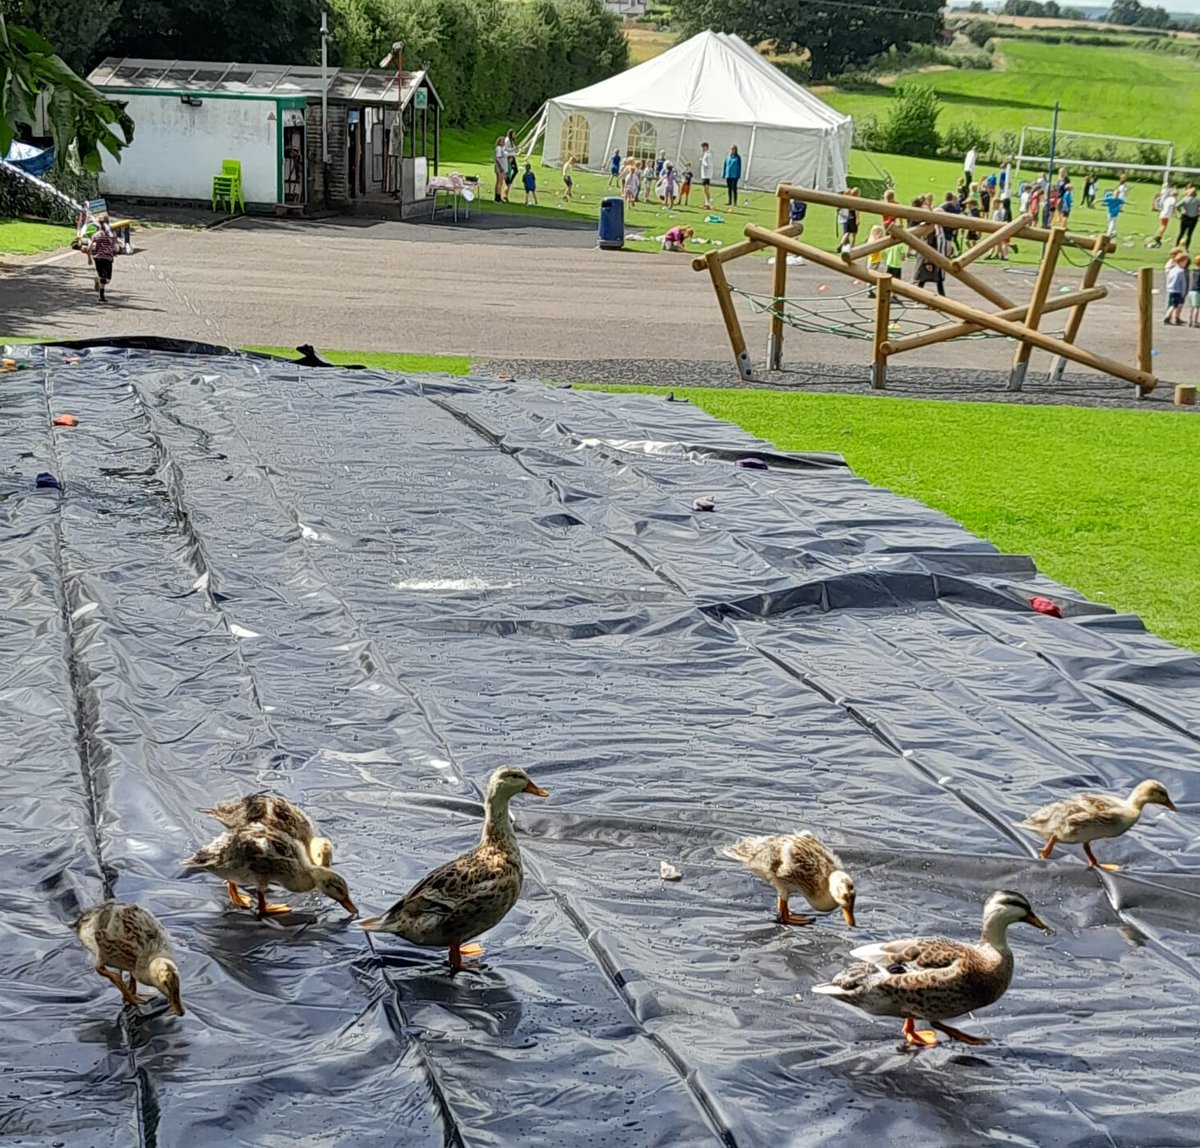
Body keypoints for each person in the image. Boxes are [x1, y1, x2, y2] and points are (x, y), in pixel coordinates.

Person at [88, 214, 116, 303]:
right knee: (106, 279)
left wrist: (89, 258)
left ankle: (99, 283)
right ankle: (101, 295)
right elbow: (114, 247)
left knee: (105, 278)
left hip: (101, 258)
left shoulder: (97, 235)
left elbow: (90, 247)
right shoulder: (110, 235)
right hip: (104, 258)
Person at [1164, 250, 1188, 324]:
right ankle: (1167, 317)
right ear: (1181, 262)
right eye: (1185, 262)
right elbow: (1183, 283)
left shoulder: (1172, 270)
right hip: (1177, 291)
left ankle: (1169, 317)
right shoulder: (1181, 271)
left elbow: (1169, 278)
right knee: (1174, 305)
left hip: (1171, 289)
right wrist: (1183, 293)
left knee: (1172, 304)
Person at [865, 224, 887, 297]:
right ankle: (869, 290)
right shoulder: (874, 241)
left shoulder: (871, 239)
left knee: (871, 274)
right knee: (872, 275)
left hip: (873, 260)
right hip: (874, 260)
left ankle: (869, 289)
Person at [839, 186, 860, 251]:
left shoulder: (848, 200)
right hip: (853, 216)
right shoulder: (856, 201)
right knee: (854, 234)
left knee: (847, 232)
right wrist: (858, 219)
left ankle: (842, 243)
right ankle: (852, 248)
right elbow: (856, 211)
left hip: (848, 216)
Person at [503, 130, 519, 200]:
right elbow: (506, 148)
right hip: (508, 157)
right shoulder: (507, 140)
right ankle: (508, 181)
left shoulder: (512, 141)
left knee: (515, 170)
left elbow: (513, 149)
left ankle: (509, 181)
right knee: (508, 171)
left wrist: (516, 150)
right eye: (513, 134)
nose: (514, 136)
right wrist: (513, 149)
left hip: (512, 157)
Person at [492, 136, 507, 202]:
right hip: (500, 167)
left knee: (500, 182)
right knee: (499, 182)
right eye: (502, 141)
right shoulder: (498, 148)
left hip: (502, 167)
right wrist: (501, 167)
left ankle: (498, 195)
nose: (503, 142)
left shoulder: (502, 148)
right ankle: (497, 197)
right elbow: (497, 158)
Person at [699, 141, 713, 209]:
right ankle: (706, 203)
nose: (702, 149)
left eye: (703, 147)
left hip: (706, 175)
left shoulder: (708, 154)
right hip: (704, 174)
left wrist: (702, 161)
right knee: (704, 189)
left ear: (706, 147)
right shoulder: (705, 154)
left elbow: (708, 165)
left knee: (706, 189)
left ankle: (708, 203)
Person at [999, 157, 1013, 222]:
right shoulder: (1003, 173)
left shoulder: (1004, 172)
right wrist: (1003, 187)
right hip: (1004, 187)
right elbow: (1001, 181)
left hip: (1005, 186)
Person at [1190, 254, 1200, 327]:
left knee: (1193, 307)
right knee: (1196, 307)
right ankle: (1195, 322)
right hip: (1197, 291)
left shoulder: (1195, 271)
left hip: (1192, 290)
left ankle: (1191, 321)